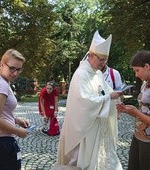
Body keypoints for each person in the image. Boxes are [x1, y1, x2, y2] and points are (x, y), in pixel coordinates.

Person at [56, 30, 123, 170]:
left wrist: (115, 97)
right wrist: (108, 98)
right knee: (79, 160)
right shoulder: (81, 74)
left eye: (105, 60)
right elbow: (84, 101)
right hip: (84, 128)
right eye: (101, 59)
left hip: (95, 125)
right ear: (91, 55)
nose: (103, 63)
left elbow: (105, 90)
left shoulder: (96, 73)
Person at [0, 49, 29, 170]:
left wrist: (16, 120)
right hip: (1, 142)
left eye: (19, 69)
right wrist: (18, 131)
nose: (15, 73)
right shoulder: (1, 85)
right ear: (2, 64)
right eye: (12, 68)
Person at [117, 50, 150, 170]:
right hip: (138, 137)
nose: (136, 75)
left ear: (147, 66)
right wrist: (128, 111)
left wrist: (136, 112)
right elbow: (144, 114)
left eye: (137, 70)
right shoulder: (144, 85)